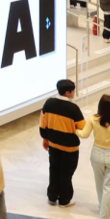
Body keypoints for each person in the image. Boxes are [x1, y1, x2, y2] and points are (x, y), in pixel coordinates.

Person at [76, 94, 110, 219]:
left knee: (99, 183)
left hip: (96, 154)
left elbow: (84, 134)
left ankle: (102, 207)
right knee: (109, 187)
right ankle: (104, 217)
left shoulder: (93, 119)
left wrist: (75, 130)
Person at [40, 79, 86, 207]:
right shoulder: (73, 109)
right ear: (67, 93)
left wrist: (45, 139)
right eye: (73, 91)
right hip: (69, 148)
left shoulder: (48, 103)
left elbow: (42, 124)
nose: (74, 93)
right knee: (66, 172)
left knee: (54, 169)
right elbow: (82, 127)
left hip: (53, 145)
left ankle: (52, 196)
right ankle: (65, 199)